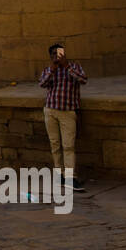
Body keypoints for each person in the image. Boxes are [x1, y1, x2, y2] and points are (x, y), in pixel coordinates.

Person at [38, 42, 87, 192]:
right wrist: (53, 69)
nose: (57, 57)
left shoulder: (74, 67)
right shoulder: (49, 70)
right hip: (51, 110)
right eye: (54, 54)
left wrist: (66, 66)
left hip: (67, 111)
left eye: (59, 54)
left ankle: (70, 178)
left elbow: (83, 79)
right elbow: (42, 83)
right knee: (55, 145)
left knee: (68, 146)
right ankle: (59, 175)